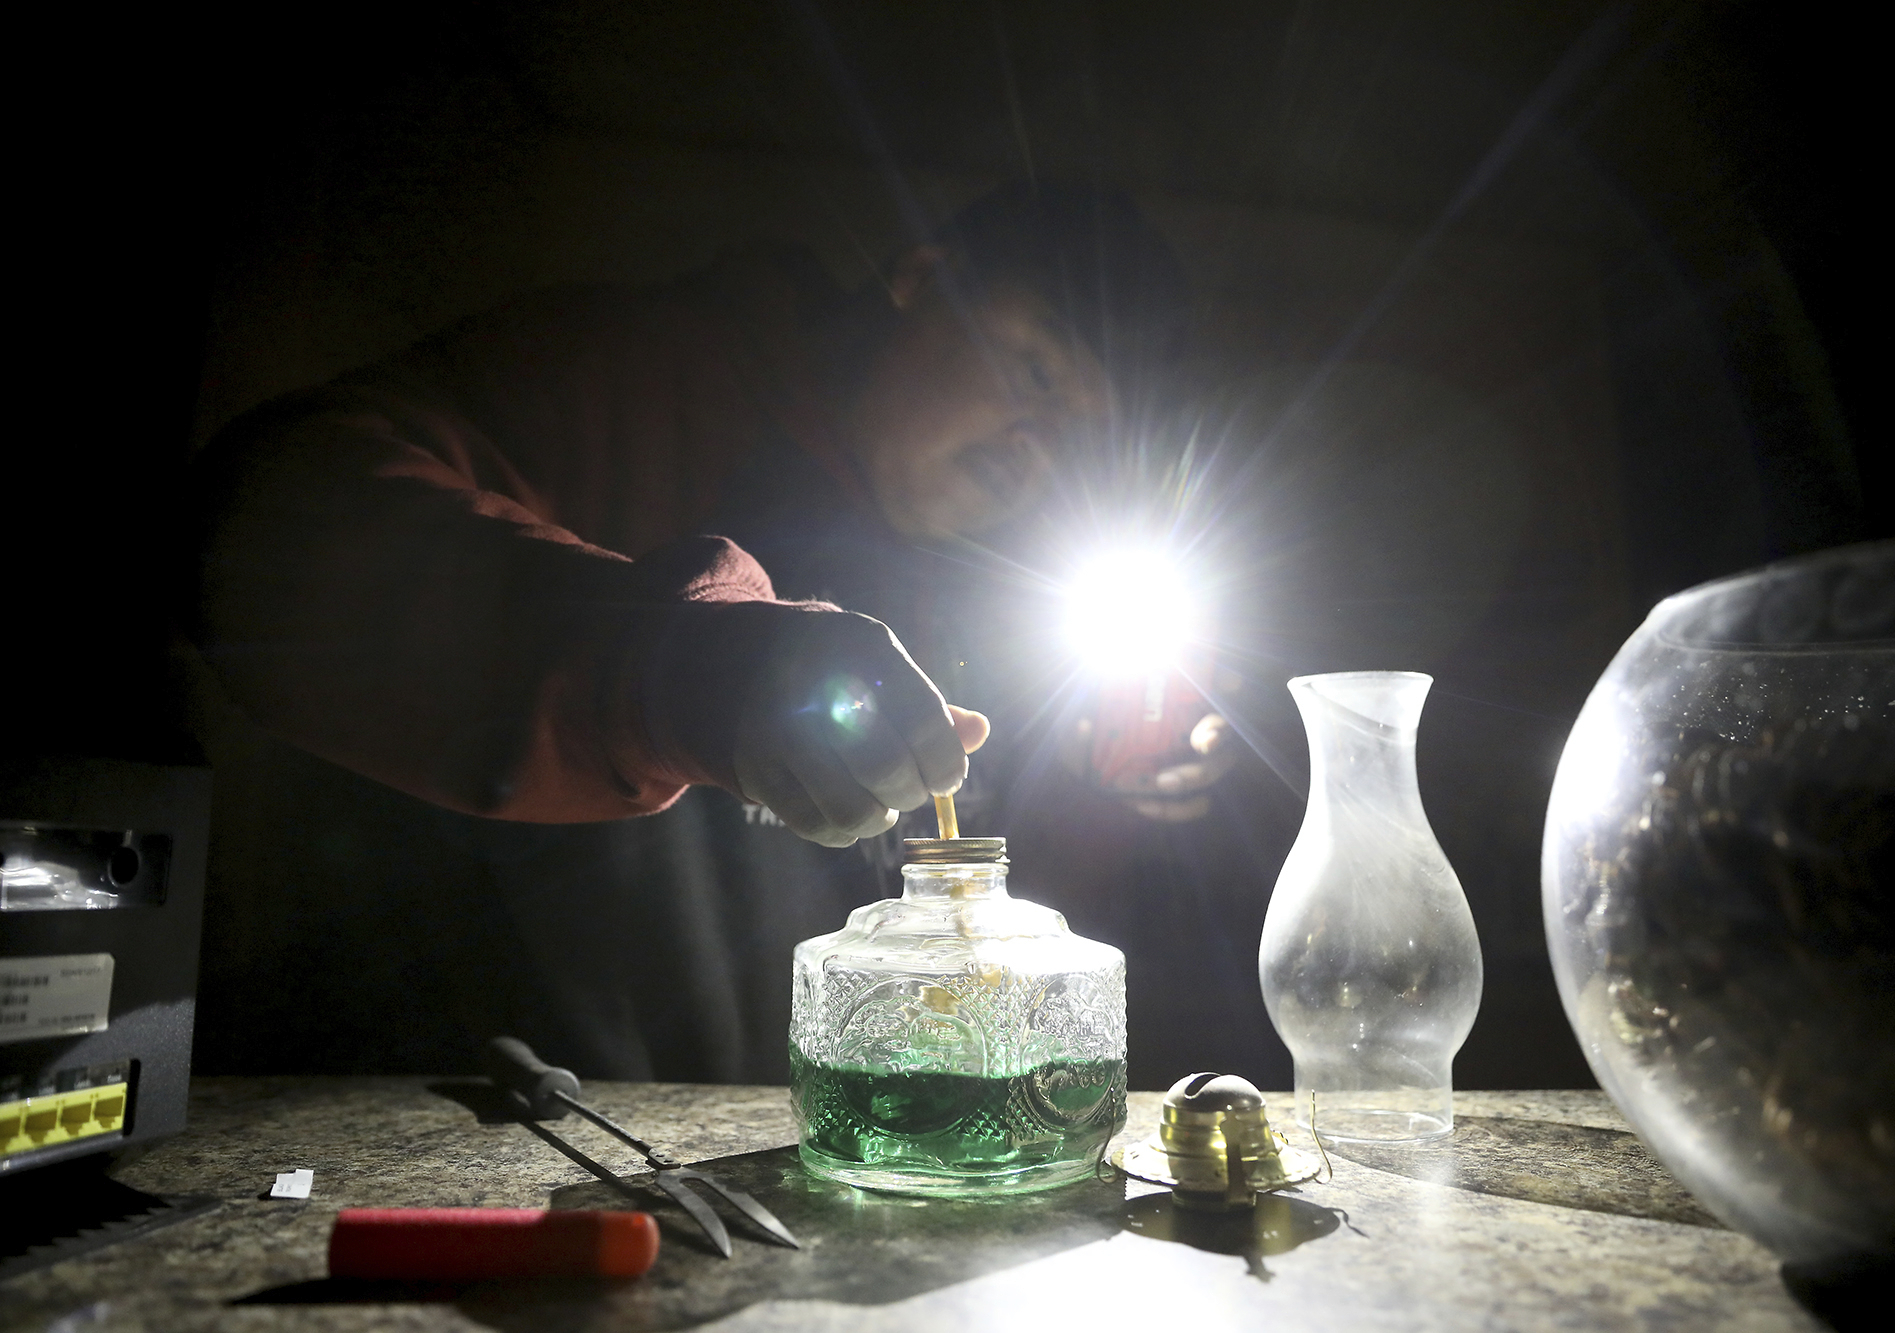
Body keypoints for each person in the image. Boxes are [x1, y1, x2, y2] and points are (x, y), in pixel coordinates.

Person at [184, 183, 1195, 1081]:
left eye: (1077, 436)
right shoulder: (639, 375)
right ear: (922, 280)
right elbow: (254, 521)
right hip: (478, 1142)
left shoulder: (972, 596)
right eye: (1035, 376)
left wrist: (1111, 788)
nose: (1037, 450)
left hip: (765, 1186)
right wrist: (672, 674)